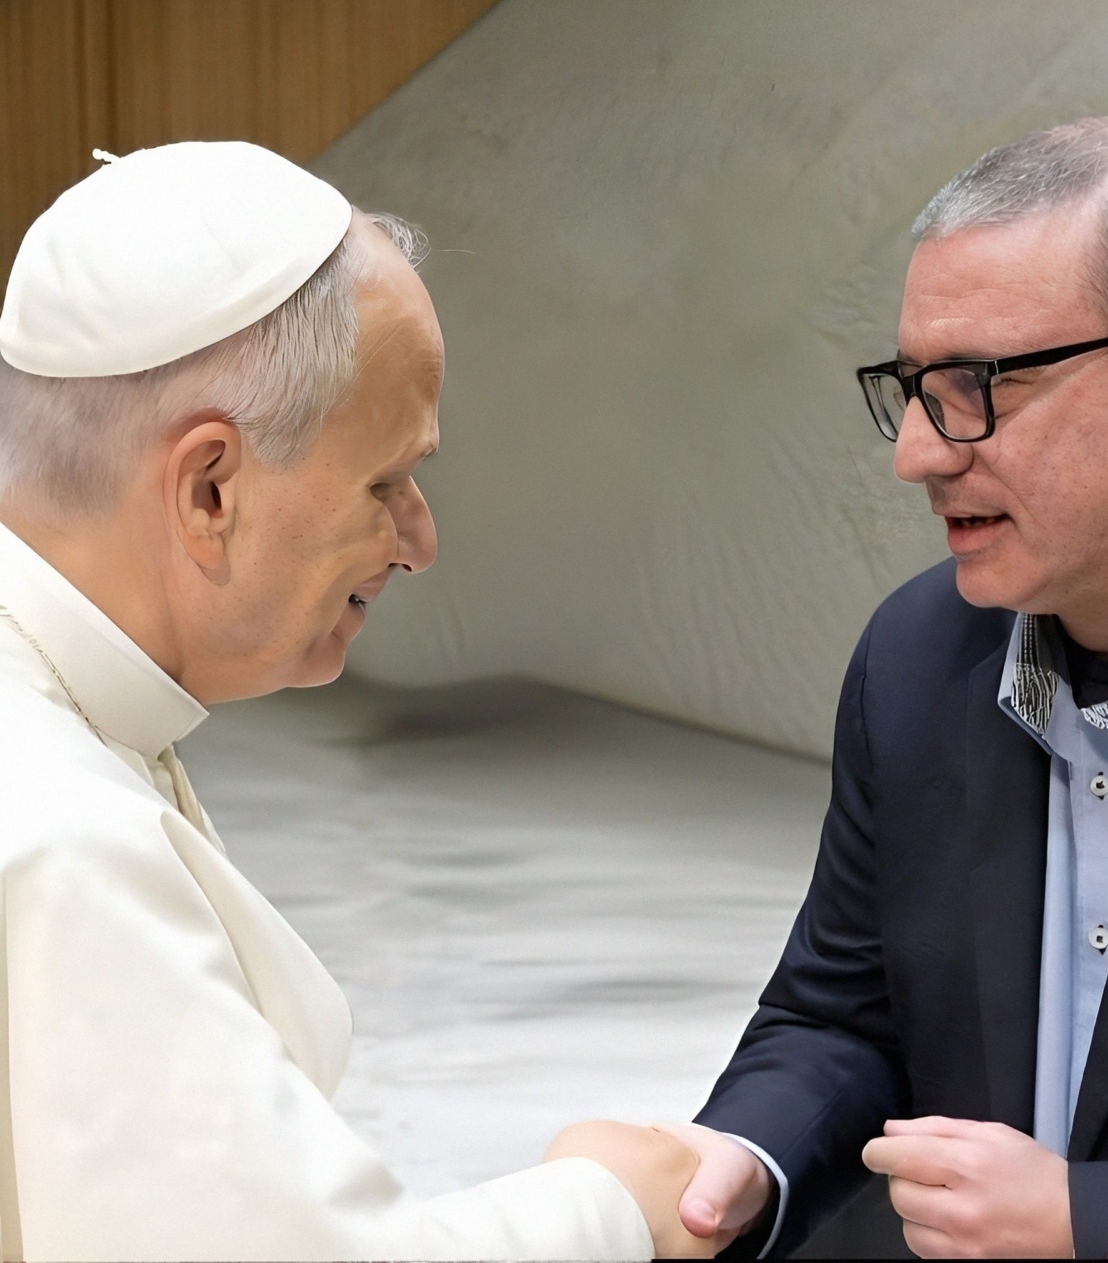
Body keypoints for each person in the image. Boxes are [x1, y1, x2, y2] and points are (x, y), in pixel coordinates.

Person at [0, 141, 715, 1261]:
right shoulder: (57, 835)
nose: (420, 540)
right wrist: (606, 1202)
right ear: (210, 488)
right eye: (387, 481)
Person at [667, 117, 1108, 1258]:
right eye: (910, 387)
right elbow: (840, 1012)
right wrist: (734, 1159)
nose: (915, 450)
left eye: (976, 384)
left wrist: (1091, 1218)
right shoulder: (916, 655)